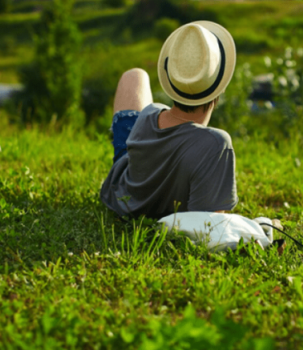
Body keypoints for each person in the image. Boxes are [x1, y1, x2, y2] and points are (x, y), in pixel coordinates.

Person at [100, 21, 238, 219]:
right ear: (220, 87)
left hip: (122, 193)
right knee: (136, 77)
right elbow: (210, 226)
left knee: (134, 75)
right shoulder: (215, 144)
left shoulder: (149, 115)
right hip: (148, 196)